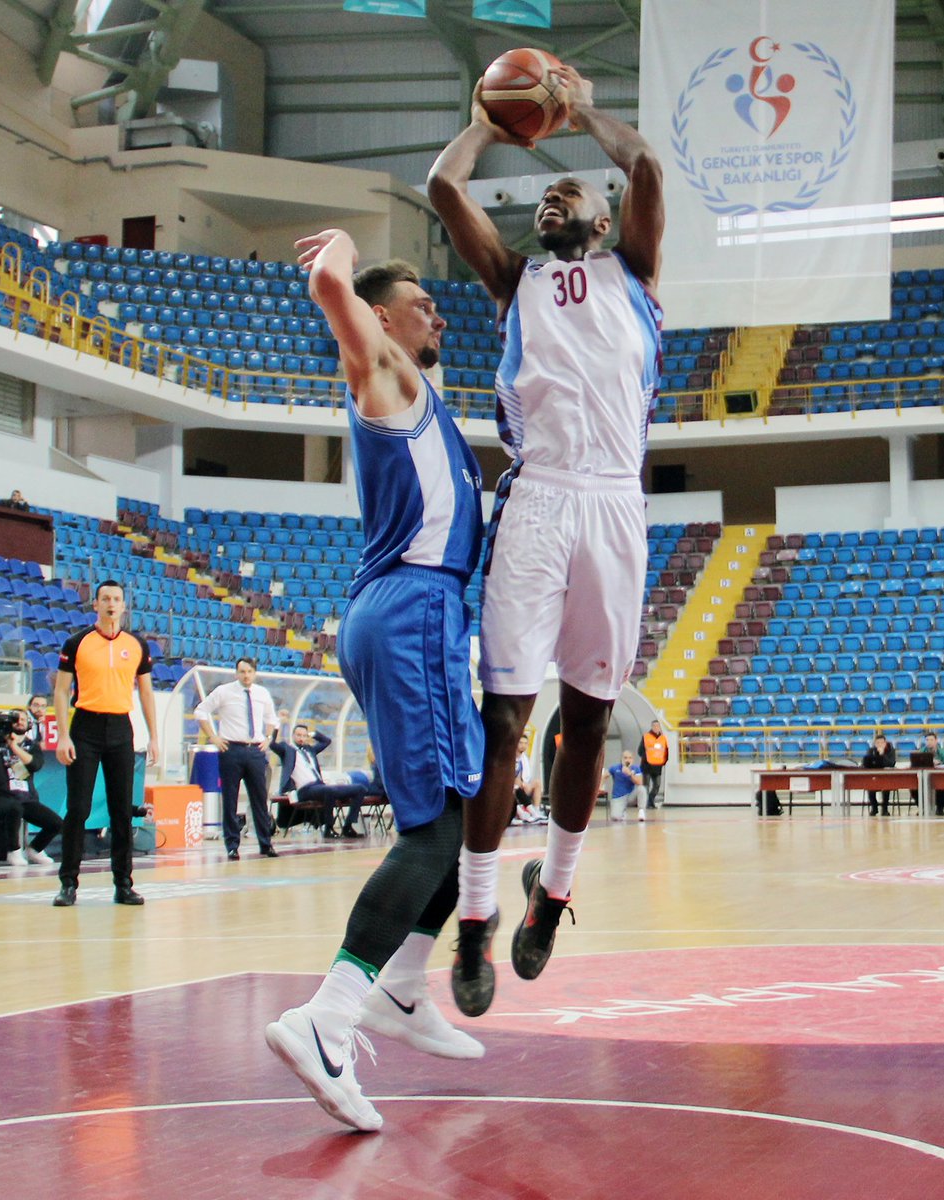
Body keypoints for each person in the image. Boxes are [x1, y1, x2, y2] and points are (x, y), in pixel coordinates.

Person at [427, 60, 663, 1015]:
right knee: (504, 723)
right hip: (536, 501)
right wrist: (492, 123)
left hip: (612, 503)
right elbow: (444, 186)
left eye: (569, 194)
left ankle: (552, 895)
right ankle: (474, 919)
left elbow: (644, 166)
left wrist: (581, 112)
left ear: (603, 222)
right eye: (543, 197)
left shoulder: (633, 271)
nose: (551, 201)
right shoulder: (514, 278)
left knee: (589, 721)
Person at [264, 232, 485, 1133]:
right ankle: (327, 1017)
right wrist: (348, 253)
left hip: (419, 611)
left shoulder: (423, 395)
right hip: (411, 609)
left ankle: (399, 987)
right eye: (421, 302)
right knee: (434, 832)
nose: (438, 314)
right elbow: (328, 280)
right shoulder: (382, 371)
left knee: (467, 819)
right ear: (383, 319)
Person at [53, 580, 158, 907]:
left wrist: (154, 737)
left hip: (120, 729)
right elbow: (61, 691)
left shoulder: (137, 645)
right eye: (105, 599)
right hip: (85, 726)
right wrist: (63, 735)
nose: (111, 604)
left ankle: (123, 884)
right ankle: (68, 883)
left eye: (116, 599)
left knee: (121, 810)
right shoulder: (76, 642)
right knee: (78, 808)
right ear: (96, 604)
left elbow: (146, 693)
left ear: (123, 606)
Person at [194, 657, 278, 861]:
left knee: (259, 799)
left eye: (249, 671)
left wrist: (268, 738)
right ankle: (232, 845)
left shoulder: (262, 693)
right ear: (236, 673)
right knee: (230, 799)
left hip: (255, 750)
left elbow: (272, 719)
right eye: (242, 671)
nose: (246, 675)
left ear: (254, 673)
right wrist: (213, 737)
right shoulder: (224, 691)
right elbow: (201, 711)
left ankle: (265, 843)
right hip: (231, 749)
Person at [0, 710, 61, 866]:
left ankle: (35, 849)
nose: (19, 722)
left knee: (56, 823)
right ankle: (14, 851)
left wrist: (14, 746)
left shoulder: (32, 746)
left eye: (23, 719)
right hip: (0, 798)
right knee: (15, 808)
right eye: (15, 719)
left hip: (26, 799)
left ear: (29, 724)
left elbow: (35, 765)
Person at [269, 721, 366, 839]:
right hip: (304, 789)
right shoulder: (287, 750)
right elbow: (272, 744)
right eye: (298, 735)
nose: (301, 738)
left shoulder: (310, 750)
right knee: (328, 791)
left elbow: (326, 741)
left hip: (319, 786)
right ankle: (328, 828)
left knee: (360, 789)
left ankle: (348, 826)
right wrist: (276, 728)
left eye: (304, 735)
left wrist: (313, 733)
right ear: (293, 736)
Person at [603, 750, 648, 822]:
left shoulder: (636, 768)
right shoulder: (615, 768)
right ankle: (622, 812)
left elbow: (640, 782)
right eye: (625, 758)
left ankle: (641, 811)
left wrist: (630, 774)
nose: (628, 760)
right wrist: (600, 787)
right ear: (621, 759)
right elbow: (604, 776)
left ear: (632, 760)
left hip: (631, 796)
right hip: (618, 797)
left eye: (630, 758)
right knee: (615, 817)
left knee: (642, 789)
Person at [513, 733, 546, 825]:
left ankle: (536, 810)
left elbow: (527, 776)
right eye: (521, 743)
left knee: (537, 783)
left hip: (523, 786)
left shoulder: (524, 758)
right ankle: (521, 813)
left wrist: (525, 784)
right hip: (513, 786)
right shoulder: (511, 758)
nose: (523, 745)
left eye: (525, 743)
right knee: (516, 783)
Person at [862, 732, 896, 816]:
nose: (880, 744)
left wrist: (882, 754)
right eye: (877, 743)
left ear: (885, 743)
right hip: (874, 775)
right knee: (870, 786)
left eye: (881, 742)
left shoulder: (891, 750)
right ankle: (874, 808)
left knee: (886, 787)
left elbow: (891, 763)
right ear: (875, 744)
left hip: (886, 776)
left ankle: (885, 809)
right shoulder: (871, 751)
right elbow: (866, 762)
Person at [637, 719, 669, 809]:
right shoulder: (646, 737)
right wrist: (647, 757)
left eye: (657, 726)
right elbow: (640, 751)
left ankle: (650, 800)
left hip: (658, 767)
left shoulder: (663, 738)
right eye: (654, 726)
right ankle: (646, 803)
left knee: (657, 785)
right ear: (651, 727)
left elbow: (665, 751)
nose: (656, 727)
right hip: (646, 766)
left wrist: (663, 761)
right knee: (646, 786)